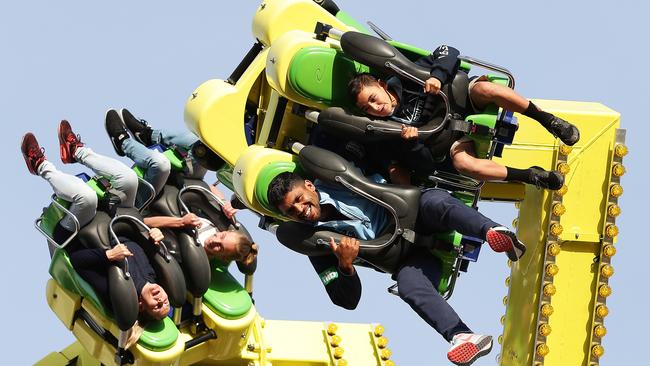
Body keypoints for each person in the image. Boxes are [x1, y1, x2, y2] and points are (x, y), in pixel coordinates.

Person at [267, 171, 526, 366]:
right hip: (407, 257)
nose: (301, 210)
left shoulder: (336, 179)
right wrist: (345, 265)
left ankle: (495, 233)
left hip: (415, 213)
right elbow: (345, 300)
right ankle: (463, 336)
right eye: (291, 211)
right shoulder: (317, 243)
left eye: (300, 200)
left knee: (436, 202)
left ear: (310, 186)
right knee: (408, 285)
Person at [347, 43, 577, 189]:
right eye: (368, 108)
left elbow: (448, 51)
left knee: (487, 89)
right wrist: (412, 144)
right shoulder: (389, 133)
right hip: (451, 138)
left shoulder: (405, 77)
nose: (376, 108)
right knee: (463, 163)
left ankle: (547, 120)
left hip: (463, 100)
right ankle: (531, 176)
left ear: (381, 84)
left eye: (374, 98)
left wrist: (437, 76)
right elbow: (427, 167)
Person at [20, 122, 170, 321]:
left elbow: (78, 261)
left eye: (157, 307)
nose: (160, 300)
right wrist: (154, 236)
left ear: (141, 306)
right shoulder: (153, 275)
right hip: (114, 221)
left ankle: (40, 165)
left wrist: (108, 255)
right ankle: (76, 151)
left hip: (76, 234)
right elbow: (141, 240)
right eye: (165, 302)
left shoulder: (117, 291)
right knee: (128, 179)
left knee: (87, 197)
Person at [104, 108, 237, 218]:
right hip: (187, 183)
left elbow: (147, 224)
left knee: (160, 164)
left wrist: (182, 222)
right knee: (204, 147)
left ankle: (122, 141)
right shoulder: (224, 223)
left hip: (148, 202)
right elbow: (209, 189)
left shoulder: (200, 242)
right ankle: (148, 136)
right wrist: (223, 202)